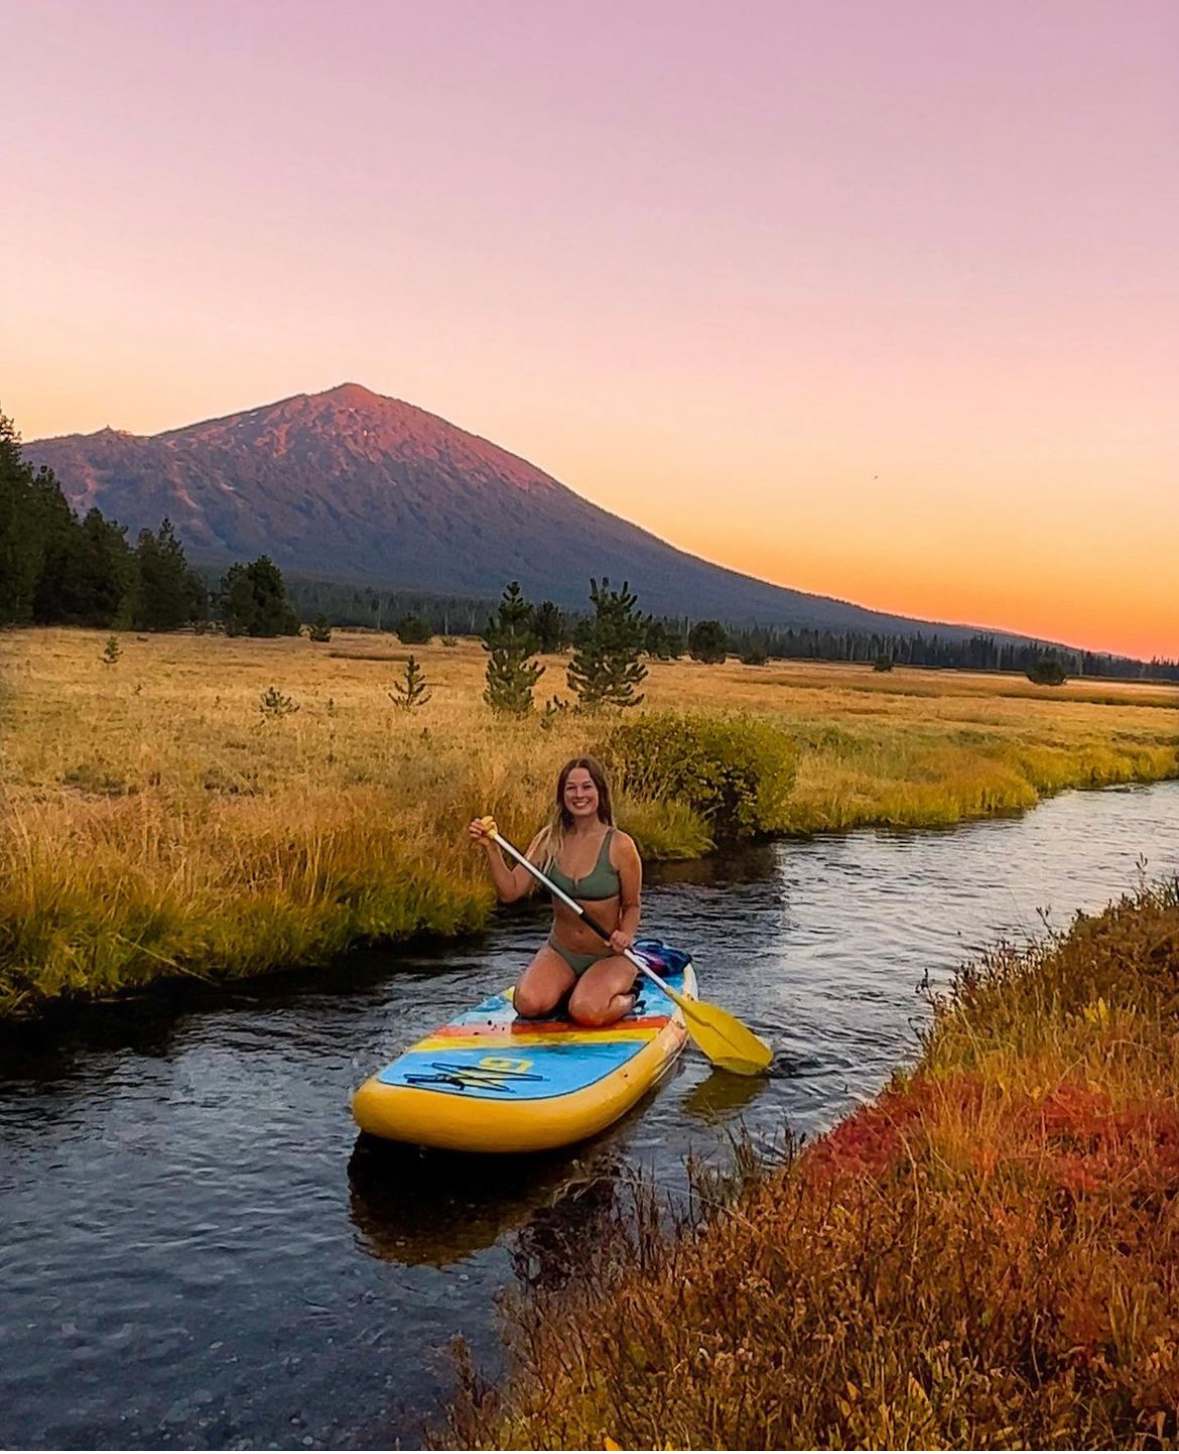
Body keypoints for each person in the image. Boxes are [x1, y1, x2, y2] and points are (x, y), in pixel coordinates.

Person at [468, 756, 643, 1027]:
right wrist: (491, 849)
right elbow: (510, 891)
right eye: (571, 788)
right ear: (562, 795)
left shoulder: (620, 846)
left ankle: (630, 997)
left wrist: (626, 935)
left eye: (587, 787)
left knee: (587, 1012)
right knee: (528, 1003)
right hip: (562, 952)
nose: (579, 794)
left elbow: (632, 906)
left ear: (599, 792)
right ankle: (571, 987)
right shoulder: (549, 840)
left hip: (610, 955)